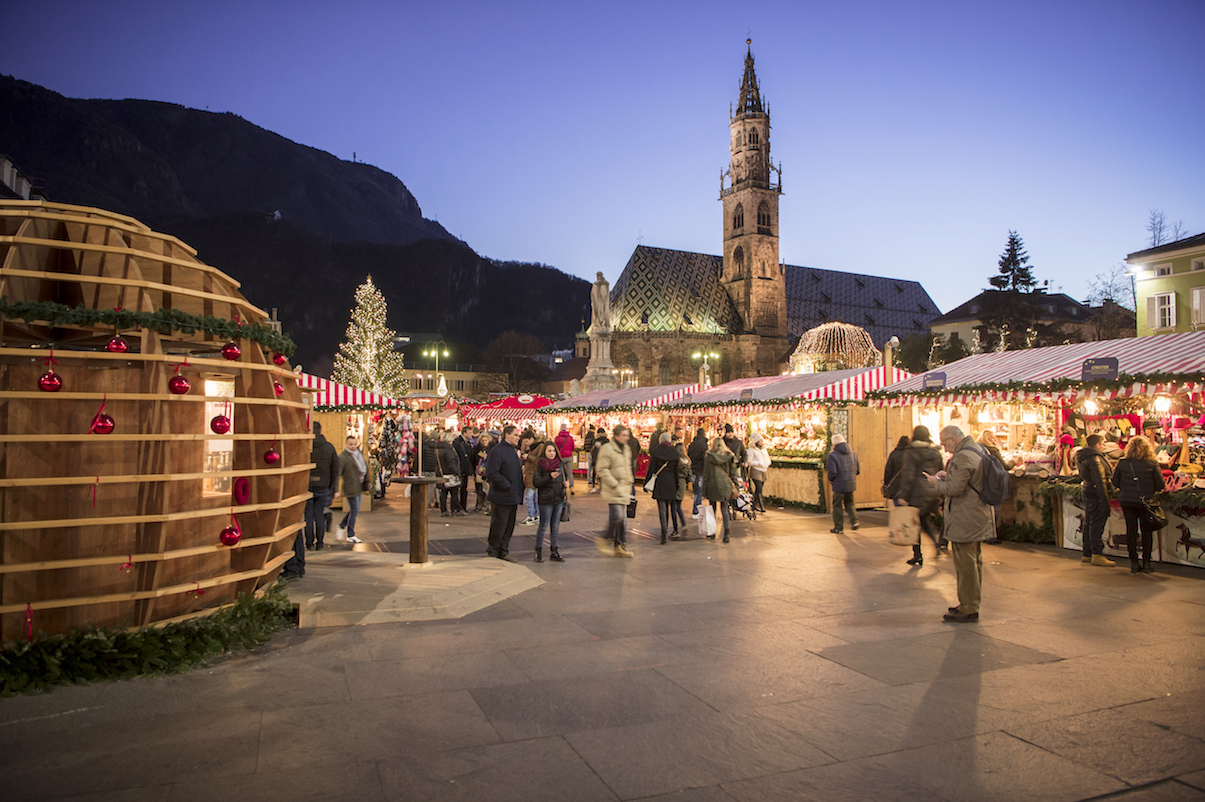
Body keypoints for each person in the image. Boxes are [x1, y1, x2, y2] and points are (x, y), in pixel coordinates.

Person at [929, 425, 995, 622]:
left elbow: (955, 488)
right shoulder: (978, 449)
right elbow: (966, 480)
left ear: (954, 439)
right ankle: (969, 602)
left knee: (966, 564)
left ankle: (969, 607)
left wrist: (936, 483)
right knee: (973, 561)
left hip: (966, 516)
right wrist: (947, 475)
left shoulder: (963, 456)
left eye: (945, 443)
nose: (944, 447)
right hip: (977, 514)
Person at [1113, 435, 1166, 574]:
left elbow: (1115, 482)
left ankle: (1134, 564)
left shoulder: (1122, 462)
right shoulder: (1152, 463)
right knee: (1146, 531)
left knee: (1131, 531)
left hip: (1127, 501)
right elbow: (1160, 484)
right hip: (1146, 502)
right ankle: (1147, 563)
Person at [895, 425, 945, 566]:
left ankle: (917, 554)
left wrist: (903, 495)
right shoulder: (935, 452)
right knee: (924, 521)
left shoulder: (912, 451)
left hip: (916, 492)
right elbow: (941, 472)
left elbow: (909, 475)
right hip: (932, 490)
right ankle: (936, 544)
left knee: (914, 524)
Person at [595, 424, 635, 557]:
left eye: (627, 435)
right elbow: (602, 469)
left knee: (622, 518)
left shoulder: (627, 449)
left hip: (624, 488)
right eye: (624, 435)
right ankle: (604, 539)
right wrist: (614, 483)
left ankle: (619, 546)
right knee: (618, 516)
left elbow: (627, 466)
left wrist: (630, 481)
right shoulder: (607, 449)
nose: (627, 438)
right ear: (616, 436)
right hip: (613, 488)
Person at [1077, 434, 1116, 567]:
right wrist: (1105, 500)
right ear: (1098, 444)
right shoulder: (1095, 458)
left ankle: (1087, 553)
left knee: (1089, 522)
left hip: (1088, 491)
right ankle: (1097, 554)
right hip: (1096, 494)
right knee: (1097, 523)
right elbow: (1100, 480)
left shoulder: (1084, 456)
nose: (1104, 445)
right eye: (1103, 443)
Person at [485, 425, 523, 561]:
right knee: (499, 524)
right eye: (515, 435)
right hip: (502, 495)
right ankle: (494, 550)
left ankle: (503, 550)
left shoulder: (512, 451)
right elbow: (492, 473)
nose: (518, 438)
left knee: (509, 525)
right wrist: (506, 484)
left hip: (512, 495)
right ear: (507, 435)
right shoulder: (497, 451)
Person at [305, 422, 340, 551]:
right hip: (323, 485)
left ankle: (309, 543)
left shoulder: (305, 447)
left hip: (308, 485)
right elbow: (335, 468)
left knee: (308, 515)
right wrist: (330, 485)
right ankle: (320, 543)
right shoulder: (329, 447)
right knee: (319, 514)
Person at [532, 442, 568, 563]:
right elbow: (536, 483)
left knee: (555, 526)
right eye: (549, 451)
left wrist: (565, 483)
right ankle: (538, 551)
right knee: (543, 525)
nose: (552, 453)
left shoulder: (560, 464)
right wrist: (549, 477)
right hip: (546, 499)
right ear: (544, 452)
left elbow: (564, 477)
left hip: (558, 498)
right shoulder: (540, 464)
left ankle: (554, 551)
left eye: (553, 450)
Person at [645, 432, 680, 545]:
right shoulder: (674, 453)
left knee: (662, 507)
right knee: (669, 504)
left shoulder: (656, 452)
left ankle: (663, 530)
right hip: (670, 482)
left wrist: (646, 483)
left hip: (660, 481)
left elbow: (651, 469)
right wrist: (677, 484)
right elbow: (677, 471)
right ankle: (669, 527)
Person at [703, 437, 740, 543]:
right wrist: (736, 487)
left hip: (712, 484)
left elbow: (706, 475)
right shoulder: (729, 456)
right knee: (724, 508)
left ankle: (712, 532)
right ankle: (726, 533)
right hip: (726, 485)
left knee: (713, 509)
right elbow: (733, 474)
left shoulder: (709, 457)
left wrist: (704, 491)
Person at [335, 435, 368, 545]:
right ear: (346, 445)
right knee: (355, 510)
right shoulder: (343, 457)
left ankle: (341, 526)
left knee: (354, 510)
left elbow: (364, 468)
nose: (353, 446)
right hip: (350, 487)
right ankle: (350, 534)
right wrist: (336, 490)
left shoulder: (358, 455)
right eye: (351, 444)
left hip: (358, 486)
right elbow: (337, 474)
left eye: (355, 444)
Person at [976, 430, 1007, 544]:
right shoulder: (993, 450)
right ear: (988, 438)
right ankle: (991, 536)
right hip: (993, 482)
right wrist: (1015, 461)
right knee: (994, 508)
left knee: (984, 508)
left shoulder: (977, 448)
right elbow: (1005, 466)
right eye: (994, 438)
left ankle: (983, 534)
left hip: (980, 482)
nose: (995, 440)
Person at [826, 434, 860, 534]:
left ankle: (839, 527)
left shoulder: (833, 455)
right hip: (851, 483)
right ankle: (854, 522)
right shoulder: (853, 453)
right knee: (850, 503)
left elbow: (832, 472)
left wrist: (831, 480)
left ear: (834, 444)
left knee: (837, 505)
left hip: (839, 484)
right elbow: (857, 470)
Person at [435, 432, 463, 517]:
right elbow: (451, 463)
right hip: (450, 474)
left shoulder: (437, 449)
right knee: (454, 493)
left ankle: (443, 510)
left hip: (441, 474)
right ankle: (456, 509)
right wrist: (457, 472)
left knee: (443, 493)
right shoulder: (449, 450)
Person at [746, 433, 771, 513]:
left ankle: (754, 505)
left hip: (763, 470)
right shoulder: (751, 450)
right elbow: (749, 461)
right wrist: (758, 463)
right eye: (760, 440)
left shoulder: (764, 450)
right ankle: (761, 506)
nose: (762, 442)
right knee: (759, 487)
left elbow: (767, 458)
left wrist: (767, 463)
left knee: (759, 489)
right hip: (756, 470)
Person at [882, 435, 910, 503]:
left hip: (895, 486)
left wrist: (886, 482)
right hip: (907, 486)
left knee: (897, 506)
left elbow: (888, 470)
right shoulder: (911, 455)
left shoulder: (894, 454)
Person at [688, 427, 708, 517]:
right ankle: (696, 510)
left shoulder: (692, 444)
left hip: (693, 469)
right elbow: (705, 459)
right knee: (699, 491)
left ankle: (695, 508)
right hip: (700, 470)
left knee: (696, 490)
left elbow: (689, 454)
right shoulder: (704, 445)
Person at [452, 428, 473, 514]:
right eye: (469, 433)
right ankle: (456, 507)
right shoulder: (457, 442)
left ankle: (462, 506)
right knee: (456, 489)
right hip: (459, 469)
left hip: (465, 469)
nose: (471, 434)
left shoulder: (467, 443)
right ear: (464, 433)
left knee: (464, 488)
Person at [673, 440, 692, 537]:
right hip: (682, 483)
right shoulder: (687, 461)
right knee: (678, 505)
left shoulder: (675, 460)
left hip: (674, 483)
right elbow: (689, 476)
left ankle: (676, 528)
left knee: (674, 507)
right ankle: (683, 524)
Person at [521, 441, 542, 525]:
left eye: (526, 441)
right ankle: (536, 515)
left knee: (528, 496)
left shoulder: (539, 447)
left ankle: (531, 516)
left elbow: (538, 460)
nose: (525, 443)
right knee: (534, 497)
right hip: (531, 475)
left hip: (533, 475)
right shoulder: (530, 448)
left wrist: (528, 456)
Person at [471, 432, 493, 512]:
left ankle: (488, 505)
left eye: (485, 440)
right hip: (478, 471)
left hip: (487, 471)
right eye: (483, 440)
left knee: (487, 488)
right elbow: (473, 460)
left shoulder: (491, 449)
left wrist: (487, 457)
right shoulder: (477, 449)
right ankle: (479, 504)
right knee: (479, 488)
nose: (484, 442)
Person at [554, 423, 576, 496]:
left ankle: (563, 486)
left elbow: (555, 448)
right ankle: (572, 486)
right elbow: (573, 447)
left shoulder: (557, 438)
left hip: (561, 457)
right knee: (570, 472)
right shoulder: (570, 438)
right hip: (569, 456)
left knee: (562, 472)